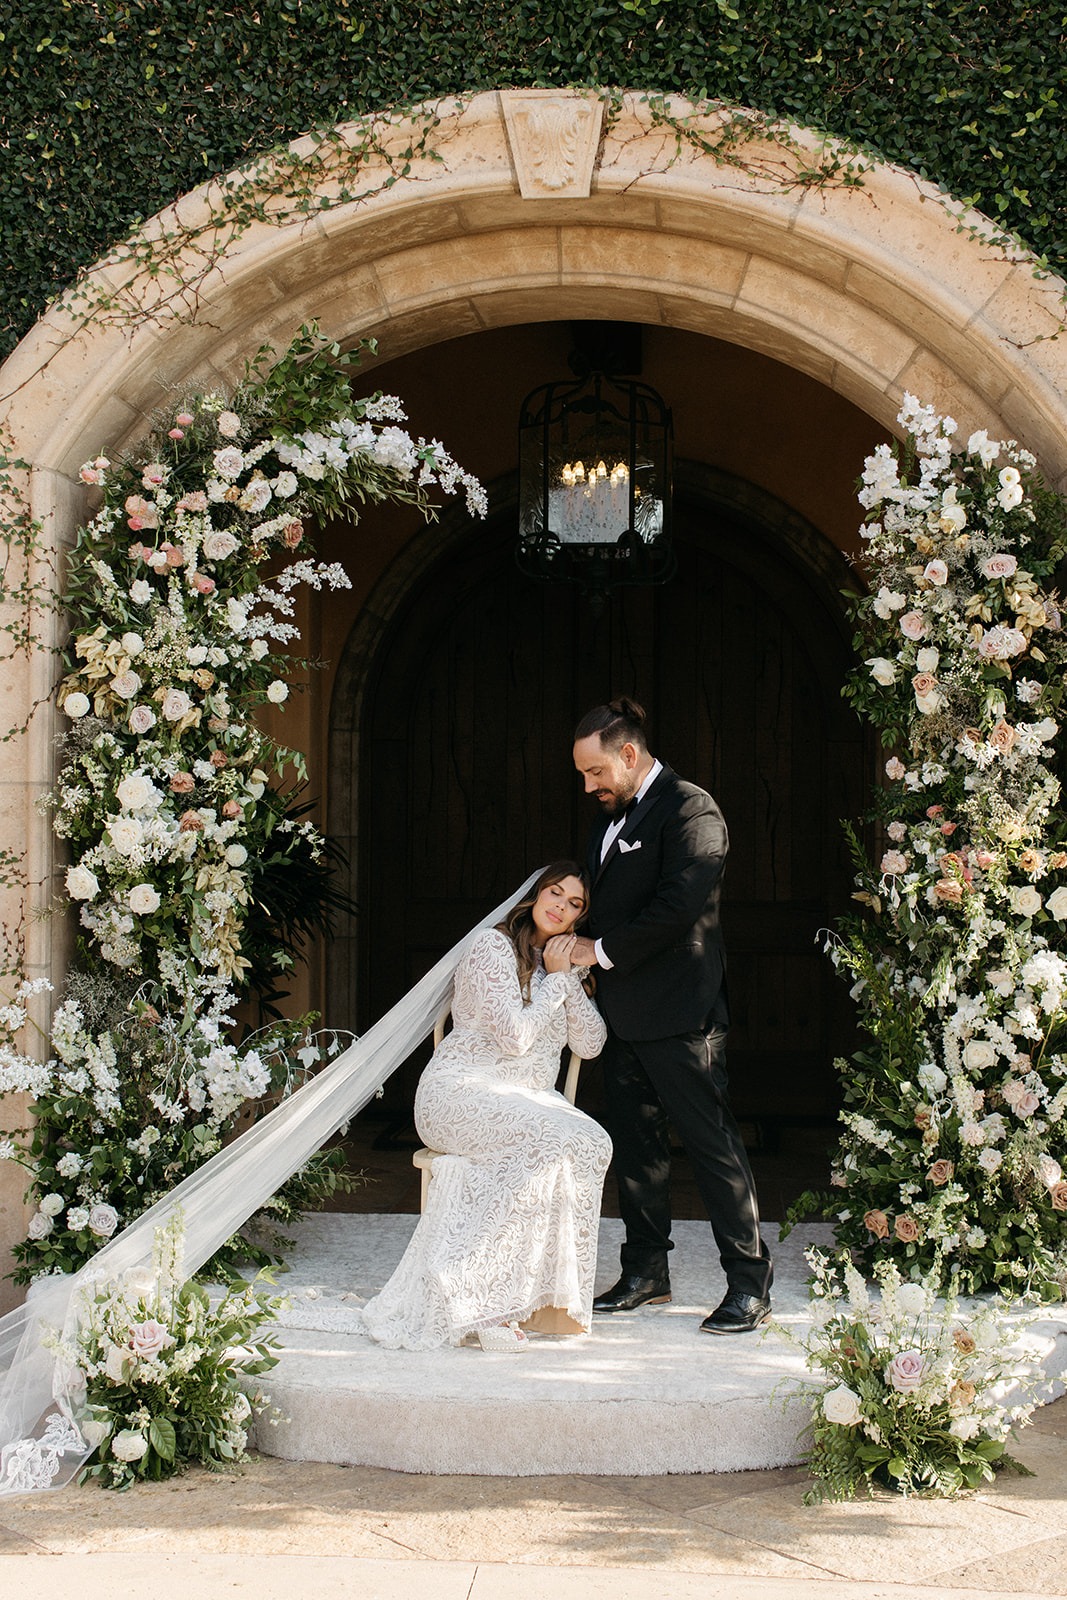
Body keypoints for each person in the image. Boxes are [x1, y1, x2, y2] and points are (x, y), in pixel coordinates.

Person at [569, 699, 773, 1334]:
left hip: (683, 1015)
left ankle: (749, 1281)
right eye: (583, 775)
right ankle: (646, 1271)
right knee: (637, 1149)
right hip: (622, 1012)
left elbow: (679, 905)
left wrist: (595, 951)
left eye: (596, 771)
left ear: (629, 754)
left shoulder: (692, 809)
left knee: (712, 1148)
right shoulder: (612, 814)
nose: (589, 786)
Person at [360, 862, 611, 1352]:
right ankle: (481, 1301)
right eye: (554, 894)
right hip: (459, 1094)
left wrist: (568, 976)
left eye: (574, 903)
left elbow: (593, 1042)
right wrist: (557, 982)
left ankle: (550, 1304)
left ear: (579, 919)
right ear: (536, 896)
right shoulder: (492, 948)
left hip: (525, 1103)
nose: (559, 906)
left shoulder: (560, 965)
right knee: (554, 1138)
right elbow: (516, 1039)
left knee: (592, 1141)